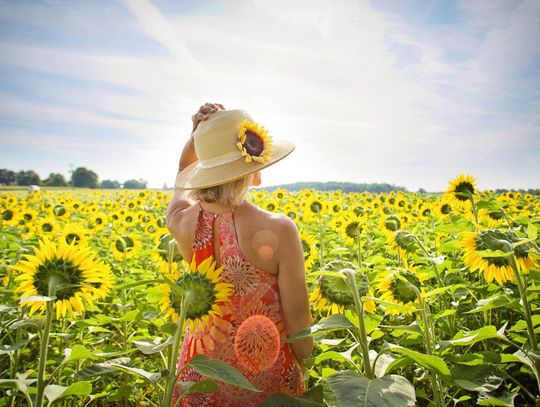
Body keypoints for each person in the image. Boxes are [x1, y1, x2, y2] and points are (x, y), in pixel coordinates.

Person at [165, 103, 314, 406]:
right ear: (253, 171)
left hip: (200, 376)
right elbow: (298, 316)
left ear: (204, 171)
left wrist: (197, 137)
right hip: (265, 376)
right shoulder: (280, 229)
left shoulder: (182, 222)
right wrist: (304, 365)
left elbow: (181, 179)